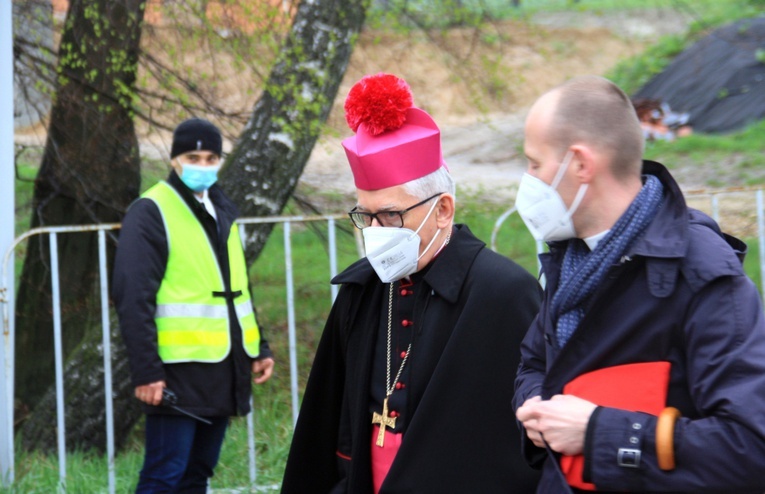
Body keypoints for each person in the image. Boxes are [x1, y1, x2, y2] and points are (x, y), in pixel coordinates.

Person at [281, 73, 543, 493]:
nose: (374, 231)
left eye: (389, 215)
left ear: (442, 210)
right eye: (365, 216)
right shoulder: (363, 292)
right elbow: (334, 422)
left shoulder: (505, 293)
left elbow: (514, 448)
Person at [513, 76, 765, 493]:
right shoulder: (571, 255)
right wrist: (538, 407)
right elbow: (534, 362)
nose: (528, 178)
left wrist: (598, 431)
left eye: (535, 162)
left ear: (580, 164)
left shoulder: (703, 274)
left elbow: (750, 447)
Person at [113, 117, 275, 493]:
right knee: (163, 476)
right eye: (192, 157)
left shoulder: (222, 209)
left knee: (197, 475)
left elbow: (236, 289)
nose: (202, 166)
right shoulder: (152, 210)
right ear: (174, 160)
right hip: (175, 374)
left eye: (210, 158)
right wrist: (146, 371)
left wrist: (258, 347)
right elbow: (132, 295)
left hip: (222, 368)